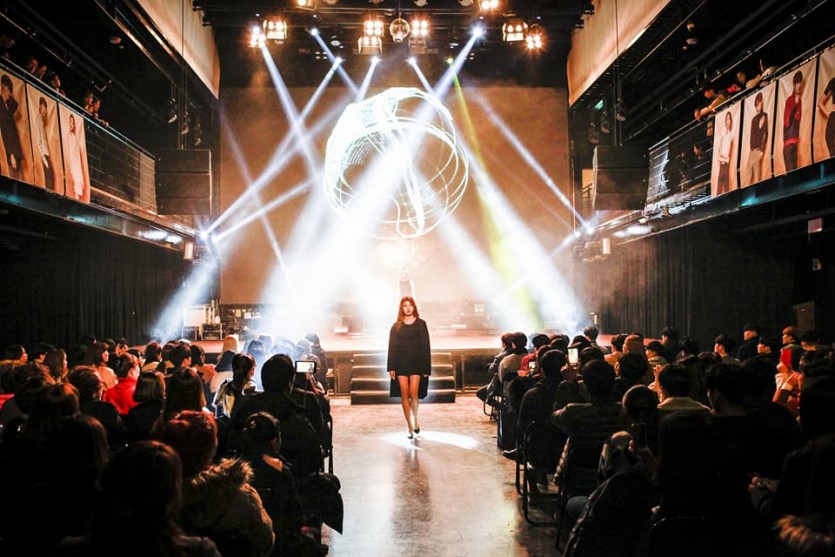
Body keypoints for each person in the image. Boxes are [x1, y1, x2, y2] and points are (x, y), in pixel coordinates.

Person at [386, 296, 431, 439]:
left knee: (414, 394)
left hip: (417, 363)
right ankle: (410, 426)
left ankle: (415, 419)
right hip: (400, 363)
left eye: (410, 305)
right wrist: (391, 367)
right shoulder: (396, 326)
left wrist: (426, 367)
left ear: (414, 307)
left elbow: (426, 347)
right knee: (404, 395)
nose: (408, 308)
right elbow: (391, 348)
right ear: (401, 308)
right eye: (405, 305)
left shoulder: (421, 324)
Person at [0, 73, 24, 179]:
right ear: (3, 86)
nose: (9, 92)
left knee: (19, 177)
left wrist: (10, 95)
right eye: (8, 89)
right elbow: (5, 132)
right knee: (13, 178)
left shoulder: (9, 105)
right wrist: (10, 154)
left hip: (15, 148)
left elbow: (15, 105)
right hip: (9, 149)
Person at [746, 92, 769, 184]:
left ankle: (757, 187)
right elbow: (752, 134)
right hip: (753, 148)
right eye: (756, 105)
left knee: (756, 167)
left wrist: (762, 149)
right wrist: (752, 147)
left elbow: (765, 133)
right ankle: (748, 187)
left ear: (761, 103)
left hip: (758, 148)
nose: (757, 107)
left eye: (758, 104)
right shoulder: (754, 119)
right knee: (749, 168)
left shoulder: (765, 116)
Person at [783, 70, 803, 172]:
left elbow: (798, 120)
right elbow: (786, 122)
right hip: (788, 143)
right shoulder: (790, 100)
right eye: (797, 83)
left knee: (796, 172)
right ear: (794, 84)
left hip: (794, 142)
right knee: (791, 174)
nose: (799, 86)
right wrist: (795, 105)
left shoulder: (799, 101)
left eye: (800, 83)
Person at [65, 112, 88, 199]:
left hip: (77, 168)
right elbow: (70, 154)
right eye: (70, 122)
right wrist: (71, 170)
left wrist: (80, 175)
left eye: (73, 122)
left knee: (78, 192)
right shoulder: (68, 136)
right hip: (72, 167)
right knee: (73, 191)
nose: (71, 124)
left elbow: (77, 157)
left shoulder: (74, 137)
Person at [35, 96, 55, 190]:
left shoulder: (41, 121)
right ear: (40, 106)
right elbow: (38, 142)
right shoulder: (38, 120)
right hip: (44, 155)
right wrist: (44, 159)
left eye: (46, 109)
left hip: (46, 154)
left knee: (51, 178)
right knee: (49, 178)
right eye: (44, 108)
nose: (45, 111)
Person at [716, 110, 735, 194]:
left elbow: (726, 154)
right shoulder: (723, 136)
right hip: (722, 165)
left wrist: (723, 157)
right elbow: (719, 154)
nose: (728, 121)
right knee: (719, 189)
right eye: (726, 119)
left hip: (726, 166)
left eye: (729, 119)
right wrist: (725, 158)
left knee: (726, 188)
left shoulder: (730, 135)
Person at [819, 76, 835, 158]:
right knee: (829, 135)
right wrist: (828, 113)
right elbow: (820, 103)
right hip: (834, 116)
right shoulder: (833, 81)